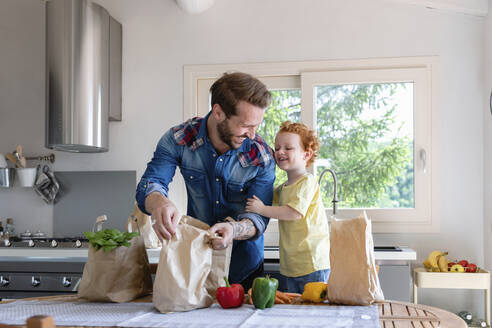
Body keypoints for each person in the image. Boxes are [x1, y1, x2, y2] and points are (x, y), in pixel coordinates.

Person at [136, 72, 276, 290]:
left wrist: (234, 229)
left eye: (256, 126)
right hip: (195, 262)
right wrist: (159, 203)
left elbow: (258, 219)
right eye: (246, 125)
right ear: (218, 112)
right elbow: (151, 183)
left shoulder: (261, 156)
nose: (252, 135)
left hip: (245, 268)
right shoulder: (178, 139)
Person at [245, 121, 330, 293]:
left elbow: (294, 213)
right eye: (277, 148)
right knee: (295, 312)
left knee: (315, 311)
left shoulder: (307, 182)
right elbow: (268, 200)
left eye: (288, 148)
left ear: (306, 155)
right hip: (292, 265)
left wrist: (261, 209)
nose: (280, 152)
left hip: (311, 263)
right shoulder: (283, 188)